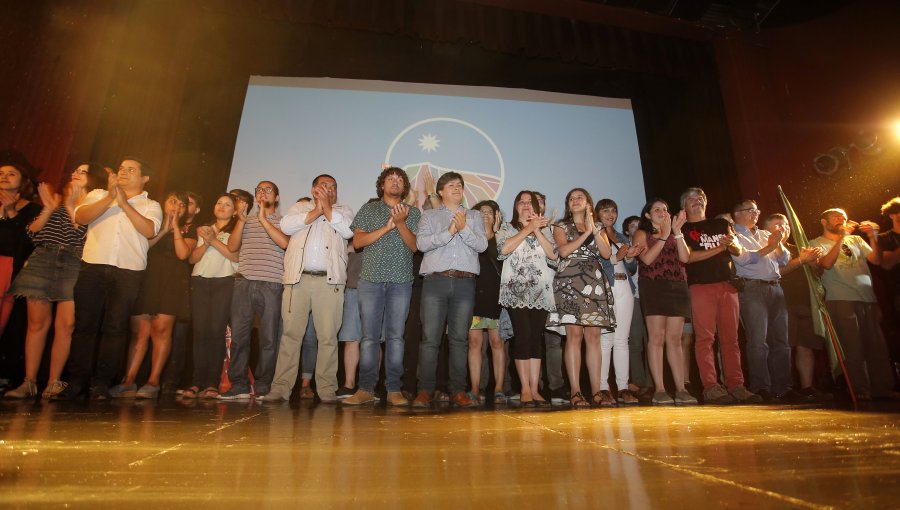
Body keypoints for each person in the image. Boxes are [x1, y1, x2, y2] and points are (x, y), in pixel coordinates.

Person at [53, 159, 163, 400]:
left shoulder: (151, 204)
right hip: (93, 266)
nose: (124, 172)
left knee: (115, 327)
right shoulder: (97, 194)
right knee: (84, 326)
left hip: (128, 271)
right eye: (122, 168)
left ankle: (101, 383)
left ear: (144, 178)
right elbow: (81, 217)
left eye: (131, 169)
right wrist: (110, 198)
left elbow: (149, 231)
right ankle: (77, 380)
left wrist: (124, 204)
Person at [4, 163, 105, 399]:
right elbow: (32, 232)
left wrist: (72, 207)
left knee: (66, 326)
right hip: (43, 259)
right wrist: (49, 208)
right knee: (37, 325)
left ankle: (54, 381)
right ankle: (29, 382)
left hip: (74, 262)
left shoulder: (95, 205)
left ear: (94, 178)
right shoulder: (56, 202)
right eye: (75, 169)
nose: (75, 173)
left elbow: (83, 235)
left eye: (82, 171)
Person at [259, 175, 354, 403]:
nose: (329, 189)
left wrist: (327, 208)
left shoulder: (344, 210)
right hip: (297, 280)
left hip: (329, 283)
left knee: (328, 337)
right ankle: (280, 388)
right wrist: (317, 211)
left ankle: (327, 390)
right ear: (313, 190)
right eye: (324, 186)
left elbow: (347, 231)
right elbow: (286, 225)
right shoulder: (300, 207)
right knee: (290, 335)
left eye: (333, 187)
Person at [106, 191, 196, 399]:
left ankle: (153, 381)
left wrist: (174, 227)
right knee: (140, 331)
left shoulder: (189, 230)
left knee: (161, 330)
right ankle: (128, 381)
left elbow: (183, 254)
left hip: (172, 281)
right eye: (172, 201)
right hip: (147, 278)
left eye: (181, 204)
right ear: (163, 203)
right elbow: (142, 248)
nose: (176, 206)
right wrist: (164, 229)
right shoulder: (152, 223)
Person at [343, 167, 420, 405]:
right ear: (382, 185)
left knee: (396, 337)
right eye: (390, 178)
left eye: (400, 179)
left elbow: (415, 247)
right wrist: (388, 226)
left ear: (405, 187)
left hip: (401, 281)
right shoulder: (369, 208)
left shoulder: (413, 212)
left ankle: (394, 389)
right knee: (369, 338)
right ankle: (365, 389)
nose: (395, 182)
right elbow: (357, 242)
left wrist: (400, 223)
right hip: (370, 281)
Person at [412, 172, 486, 408]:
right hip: (436, 282)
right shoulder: (430, 216)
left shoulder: (474, 216)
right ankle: (425, 390)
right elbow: (421, 244)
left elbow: (482, 245)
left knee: (458, 340)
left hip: (465, 283)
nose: (456, 188)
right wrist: (450, 232)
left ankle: (458, 390)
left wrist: (463, 229)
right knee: (430, 339)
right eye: (451, 185)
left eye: (460, 185)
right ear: (441, 191)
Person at [680, 187, 760, 404]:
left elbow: (736, 252)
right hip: (700, 287)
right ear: (684, 206)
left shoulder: (722, 224)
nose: (698, 201)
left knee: (731, 340)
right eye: (692, 199)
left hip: (727, 286)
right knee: (705, 339)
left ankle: (736, 385)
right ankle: (711, 386)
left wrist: (732, 244)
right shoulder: (683, 229)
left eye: (701, 198)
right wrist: (719, 248)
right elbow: (688, 258)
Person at [810, 208, 896, 400]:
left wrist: (873, 238)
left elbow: (876, 259)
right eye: (836, 217)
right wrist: (841, 237)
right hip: (840, 298)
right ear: (824, 222)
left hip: (867, 297)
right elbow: (825, 264)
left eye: (844, 217)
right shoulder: (816, 243)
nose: (842, 219)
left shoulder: (856, 240)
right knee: (852, 346)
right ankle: (859, 389)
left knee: (877, 346)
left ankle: (883, 388)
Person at [218, 181, 288, 400]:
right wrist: (240, 220)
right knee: (239, 336)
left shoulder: (285, 222)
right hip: (244, 282)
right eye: (259, 190)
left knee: (269, 338)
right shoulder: (245, 220)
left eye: (268, 190)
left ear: (276, 198)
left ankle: (263, 384)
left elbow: (285, 243)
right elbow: (232, 247)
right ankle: (238, 384)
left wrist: (264, 220)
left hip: (272, 284)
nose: (262, 193)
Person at [546, 188, 615, 408]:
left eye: (580, 198)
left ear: (588, 203)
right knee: (573, 337)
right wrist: (586, 234)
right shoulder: (561, 226)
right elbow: (564, 251)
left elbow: (606, 254)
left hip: (593, 284)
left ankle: (596, 391)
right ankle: (576, 391)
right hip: (569, 283)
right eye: (572, 198)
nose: (575, 200)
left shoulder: (598, 228)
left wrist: (594, 230)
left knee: (593, 338)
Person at [632, 199, 696, 405]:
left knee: (675, 339)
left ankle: (681, 388)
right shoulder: (642, 233)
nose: (662, 212)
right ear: (648, 215)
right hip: (653, 286)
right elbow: (647, 259)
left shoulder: (674, 232)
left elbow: (685, 258)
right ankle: (659, 389)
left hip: (677, 286)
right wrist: (664, 235)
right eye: (656, 209)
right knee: (657, 337)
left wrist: (677, 232)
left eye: (665, 209)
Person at [497, 191, 558, 406]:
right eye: (521, 202)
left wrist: (537, 230)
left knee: (535, 339)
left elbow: (553, 255)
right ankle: (524, 388)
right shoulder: (506, 227)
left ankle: (535, 389)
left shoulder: (545, 229)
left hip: (541, 291)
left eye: (529, 202)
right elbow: (503, 249)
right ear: (515, 206)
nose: (525, 205)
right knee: (522, 336)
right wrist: (527, 229)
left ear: (535, 207)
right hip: (516, 291)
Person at [730, 200, 795, 402]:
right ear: (737, 213)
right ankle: (760, 386)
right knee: (758, 341)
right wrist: (771, 246)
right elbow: (744, 259)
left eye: (757, 210)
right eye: (750, 210)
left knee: (782, 341)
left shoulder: (765, 234)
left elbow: (784, 260)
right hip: (752, 288)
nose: (756, 213)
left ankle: (783, 386)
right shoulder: (734, 234)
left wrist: (779, 242)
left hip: (775, 287)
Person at [179, 193, 239, 399]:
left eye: (228, 204)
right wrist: (205, 242)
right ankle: (197, 382)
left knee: (215, 331)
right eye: (219, 203)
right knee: (200, 332)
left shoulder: (238, 229)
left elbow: (235, 255)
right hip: (200, 280)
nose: (222, 207)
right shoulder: (204, 228)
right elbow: (192, 259)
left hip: (224, 281)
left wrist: (213, 241)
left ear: (235, 210)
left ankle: (212, 383)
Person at [762, 213, 827, 401]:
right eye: (777, 226)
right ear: (766, 230)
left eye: (786, 225)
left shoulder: (800, 247)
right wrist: (801, 261)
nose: (783, 229)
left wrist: (814, 263)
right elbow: (776, 273)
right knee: (783, 346)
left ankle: (807, 387)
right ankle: (784, 387)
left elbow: (818, 274)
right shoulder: (765, 249)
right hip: (781, 303)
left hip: (804, 302)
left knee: (805, 345)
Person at [596, 198, 645, 405]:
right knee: (606, 341)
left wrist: (631, 258)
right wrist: (618, 256)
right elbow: (598, 263)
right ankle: (603, 388)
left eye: (614, 211)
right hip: (606, 288)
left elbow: (631, 269)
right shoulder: (595, 234)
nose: (610, 214)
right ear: (597, 213)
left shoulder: (620, 236)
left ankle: (623, 387)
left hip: (625, 288)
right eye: (606, 211)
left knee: (622, 340)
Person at [468, 200, 506, 405]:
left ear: (496, 216)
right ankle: (474, 388)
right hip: (474, 296)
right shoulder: (469, 238)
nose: (484, 214)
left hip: (496, 296)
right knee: (474, 343)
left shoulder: (502, 238)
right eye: (480, 211)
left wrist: (496, 234)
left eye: (489, 211)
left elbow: (500, 258)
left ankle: (499, 388)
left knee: (497, 342)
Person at [0, 158, 41, 339]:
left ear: (23, 181)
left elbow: (28, 242)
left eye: (11, 174)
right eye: (0, 174)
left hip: (9, 266)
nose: (4, 177)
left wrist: (11, 212)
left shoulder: (33, 210)